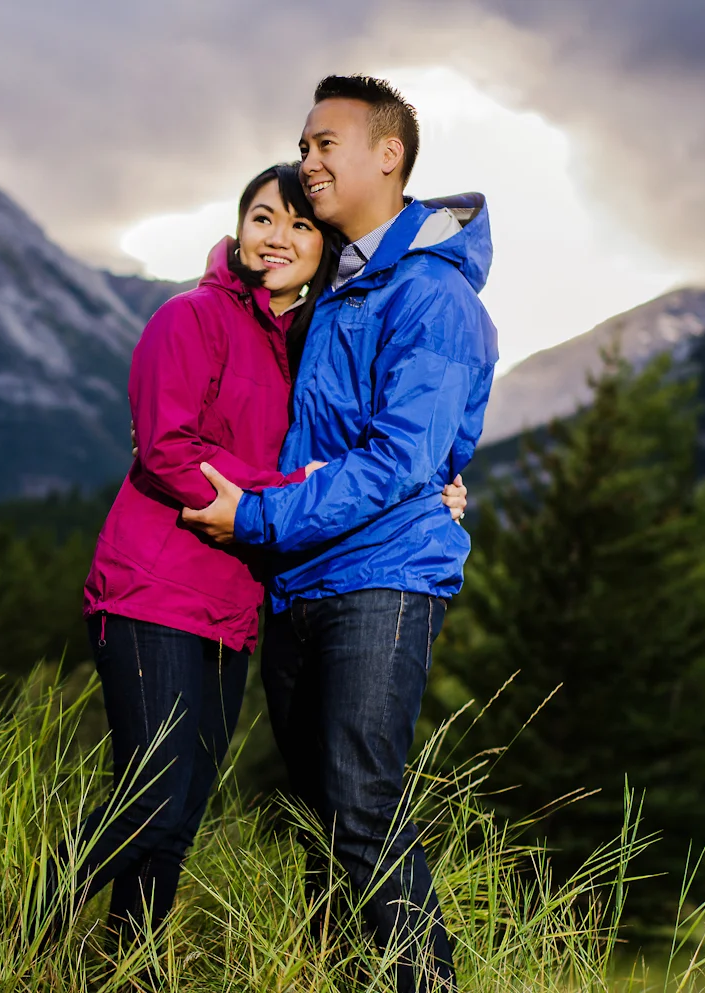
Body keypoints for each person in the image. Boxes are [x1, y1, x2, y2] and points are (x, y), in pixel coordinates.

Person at [32, 163, 469, 949]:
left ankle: (130, 965)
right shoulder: (190, 316)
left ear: (324, 248)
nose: (278, 237)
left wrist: (434, 487)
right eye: (263, 218)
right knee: (150, 798)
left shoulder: (303, 346)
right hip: (154, 588)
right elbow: (166, 450)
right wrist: (289, 488)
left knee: (178, 814)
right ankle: (12, 935)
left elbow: (368, 445)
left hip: (234, 608)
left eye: (301, 225)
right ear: (238, 229)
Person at [183, 75, 499, 992]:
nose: (309, 161)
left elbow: (400, 458)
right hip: (301, 583)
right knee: (323, 819)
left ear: (388, 155)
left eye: (326, 144)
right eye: (304, 146)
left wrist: (257, 515)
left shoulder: (432, 295)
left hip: (380, 581)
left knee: (361, 804)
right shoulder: (338, 285)